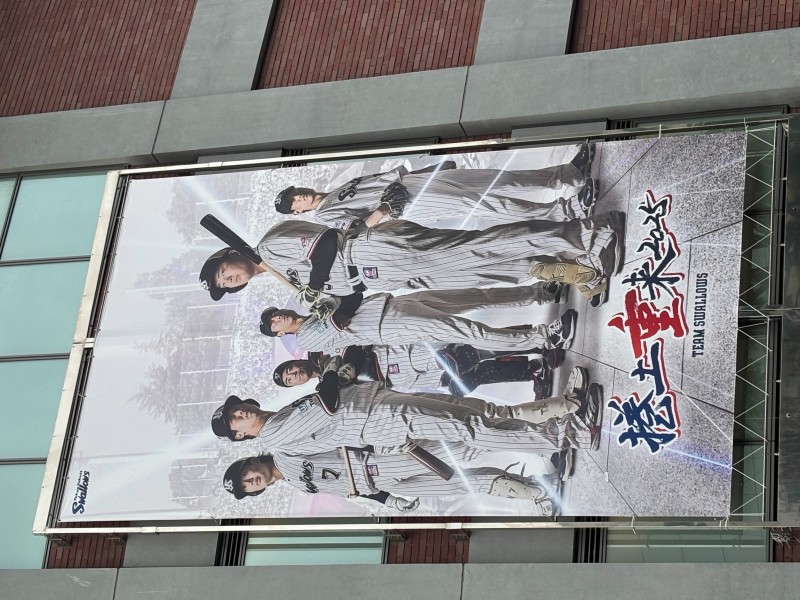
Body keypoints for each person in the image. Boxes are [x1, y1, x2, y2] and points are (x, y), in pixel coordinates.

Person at [198, 210, 625, 303]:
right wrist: (331, 304)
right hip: (380, 275)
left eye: (223, 271)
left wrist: (312, 285)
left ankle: (592, 232)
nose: (229, 279)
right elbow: (344, 289)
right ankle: (576, 271)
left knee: (481, 246)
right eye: (225, 285)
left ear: (230, 254)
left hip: (372, 251)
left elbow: (326, 242)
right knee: (484, 269)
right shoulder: (276, 273)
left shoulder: (270, 246)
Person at [210, 377, 602, 459]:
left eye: (234, 410)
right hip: (377, 418)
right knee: (471, 428)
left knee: (473, 415)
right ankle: (568, 437)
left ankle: (560, 423)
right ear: (241, 436)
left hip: (377, 404)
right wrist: (330, 372)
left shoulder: (276, 417)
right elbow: (326, 402)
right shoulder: (273, 435)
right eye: (234, 423)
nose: (239, 414)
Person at [272, 144, 597, 230]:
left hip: (411, 182)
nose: (298, 198)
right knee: (487, 203)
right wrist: (384, 209)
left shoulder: (335, 189)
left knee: (494, 179)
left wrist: (430, 169)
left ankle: (567, 175)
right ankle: (564, 212)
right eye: (293, 203)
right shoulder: (324, 215)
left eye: (293, 194)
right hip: (408, 205)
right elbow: (357, 228)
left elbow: (385, 179)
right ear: (297, 212)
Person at [222, 445, 561, 516]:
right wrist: (389, 500)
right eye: (247, 487)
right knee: (460, 483)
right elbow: (351, 491)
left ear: (251, 462)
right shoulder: (297, 485)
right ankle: (538, 490)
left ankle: (550, 437)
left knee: (463, 445)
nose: (251, 482)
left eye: (246, 477)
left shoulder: (286, 448)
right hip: (383, 482)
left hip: (378, 456)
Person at [258, 286, 580, 352]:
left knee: (474, 296)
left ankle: (542, 292)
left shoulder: (316, 302)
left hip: (392, 303)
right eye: (275, 323)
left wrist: (321, 296)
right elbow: (340, 317)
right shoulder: (306, 339)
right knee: (467, 330)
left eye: (274, 313)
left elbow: (353, 295)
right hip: (387, 326)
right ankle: (546, 338)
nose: (279, 317)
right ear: (280, 334)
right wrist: (326, 305)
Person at [272, 342, 561, 399]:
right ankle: (528, 371)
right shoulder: (324, 390)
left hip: (391, 357)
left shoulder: (319, 351)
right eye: (289, 380)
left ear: (293, 363)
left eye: (290, 370)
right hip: (396, 381)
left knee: (469, 354)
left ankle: (538, 346)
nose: (294, 375)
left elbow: (355, 346)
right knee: (465, 381)